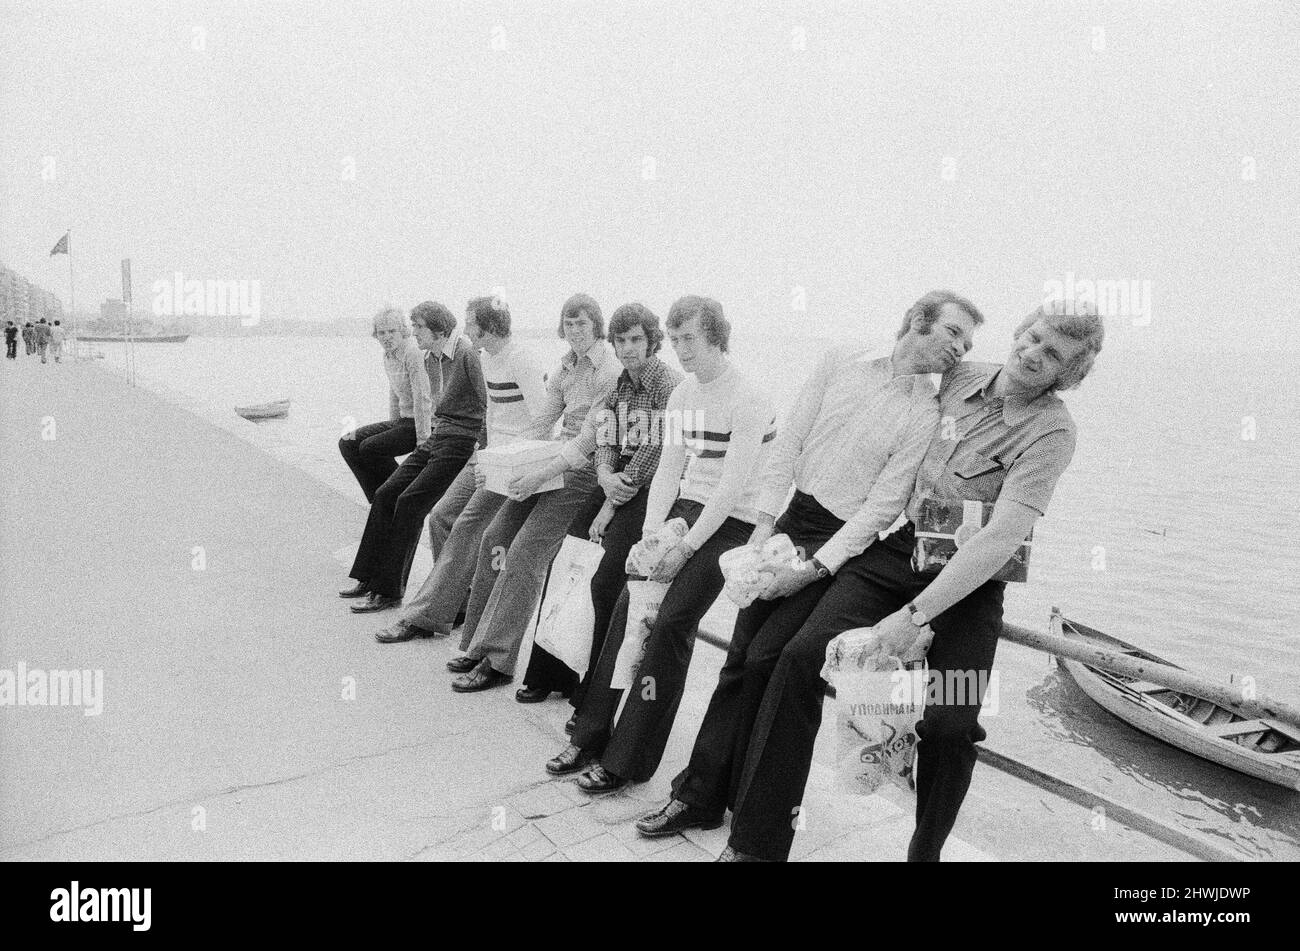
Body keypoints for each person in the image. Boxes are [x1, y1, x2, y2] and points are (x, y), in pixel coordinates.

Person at [716, 298, 1104, 862]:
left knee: (950, 725)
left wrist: (915, 617)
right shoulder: (960, 376)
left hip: (971, 586)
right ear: (1021, 331)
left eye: (1055, 355)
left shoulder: (1053, 433)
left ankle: (924, 856)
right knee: (800, 658)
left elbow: (1000, 539)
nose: (1034, 354)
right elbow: (897, 378)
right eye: (1034, 337)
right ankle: (758, 844)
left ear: (1069, 374)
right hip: (899, 555)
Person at [633, 290, 981, 838]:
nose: (960, 349)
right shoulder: (842, 358)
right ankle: (698, 796)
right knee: (740, 659)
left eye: (967, 343)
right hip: (788, 520)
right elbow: (789, 441)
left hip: (838, 545)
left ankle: (749, 810)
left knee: (771, 659)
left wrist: (814, 567)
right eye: (953, 333)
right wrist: (764, 528)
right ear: (919, 320)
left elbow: (881, 508)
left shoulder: (925, 412)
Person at [545, 295, 777, 794]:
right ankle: (591, 735)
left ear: (717, 337)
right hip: (688, 508)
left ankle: (628, 759)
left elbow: (732, 488)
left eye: (689, 338)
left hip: (734, 521)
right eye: (675, 339)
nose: (681, 349)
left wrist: (684, 549)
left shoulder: (749, 395)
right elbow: (671, 468)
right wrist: (651, 537)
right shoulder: (683, 393)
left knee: (670, 623)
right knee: (630, 603)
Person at [445, 293, 621, 692]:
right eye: (569, 324)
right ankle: (477, 644)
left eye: (582, 323)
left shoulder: (608, 371)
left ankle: (498, 659)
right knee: (494, 537)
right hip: (552, 459)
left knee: (524, 554)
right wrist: (499, 464)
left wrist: (536, 475)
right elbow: (541, 423)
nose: (575, 331)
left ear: (597, 325)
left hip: (583, 471)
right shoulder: (566, 366)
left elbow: (587, 441)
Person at [516, 302, 684, 705]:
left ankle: (591, 691)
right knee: (566, 563)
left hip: (651, 487)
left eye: (636, 339)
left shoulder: (669, 385)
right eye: (621, 340)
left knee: (606, 578)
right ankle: (549, 673)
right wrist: (606, 475)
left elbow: (656, 450)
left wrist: (610, 503)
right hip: (615, 479)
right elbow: (604, 437)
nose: (628, 348)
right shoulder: (619, 385)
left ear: (652, 341)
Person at [374, 295, 549, 642]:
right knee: (441, 516)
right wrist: (483, 454)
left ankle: (428, 613)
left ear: (488, 327)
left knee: (474, 528)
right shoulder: (484, 358)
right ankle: (454, 603)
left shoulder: (522, 359)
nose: (465, 329)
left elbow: (543, 421)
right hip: (490, 457)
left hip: (516, 463)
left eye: (470, 323)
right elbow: (490, 415)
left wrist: (508, 461)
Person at [341, 301, 486, 612]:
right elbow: (432, 404)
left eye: (418, 327)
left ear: (438, 329)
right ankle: (368, 577)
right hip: (437, 436)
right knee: (385, 494)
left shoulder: (465, 353)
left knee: (408, 503)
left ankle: (389, 591)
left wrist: (481, 450)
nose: (413, 332)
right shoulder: (431, 357)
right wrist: (425, 439)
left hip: (460, 442)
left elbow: (484, 405)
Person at [338, 307, 437, 503]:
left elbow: (422, 397)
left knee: (370, 448)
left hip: (426, 423)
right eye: (382, 333)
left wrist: (423, 441)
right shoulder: (388, 355)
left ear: (403, 331)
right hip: (404, 422)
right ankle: (378, 501)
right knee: (348, 443)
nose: (387, 337)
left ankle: (407, 494)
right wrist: (393, 427)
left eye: (392, 331)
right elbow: (394, 393)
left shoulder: (413, 352)